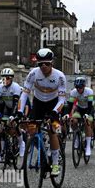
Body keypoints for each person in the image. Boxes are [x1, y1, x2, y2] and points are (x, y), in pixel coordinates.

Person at [18, 48, 66, 176]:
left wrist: (55, 112)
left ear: (52, 63)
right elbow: (24, 94)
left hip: (53, 103)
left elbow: (62, 99)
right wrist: (19, 111)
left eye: (47, 63)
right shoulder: (33, 74)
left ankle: (55, 163)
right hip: (38, 103)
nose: (43, 66)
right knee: (32, 130)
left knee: (52, 130)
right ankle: (42, 150)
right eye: (40, 64)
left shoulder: (60, 76)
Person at [0, 68, 25, 161]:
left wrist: (13, 115)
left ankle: (21, 143)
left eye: (7, 78)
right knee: (1, 127)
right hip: (7, 107)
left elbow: (16, 103)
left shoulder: (15, 87)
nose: (5, 80)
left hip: (17, 106)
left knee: (14, 124)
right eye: (3, 78)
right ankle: (2, 151)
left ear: (11, 78)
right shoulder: (0, 87)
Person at [67, 77, 94, 158]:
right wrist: (67, 114)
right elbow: (70, 105)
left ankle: (88, 146)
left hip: (88, 109)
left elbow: (89, 105)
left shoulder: (89, 91)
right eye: (77, 87)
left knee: (87, 123)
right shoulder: (73, 92)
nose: (78, 89)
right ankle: (77, 138)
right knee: (73, 121)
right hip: (79, 109)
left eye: (80, 87)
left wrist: (87, 114)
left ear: (84, 86)